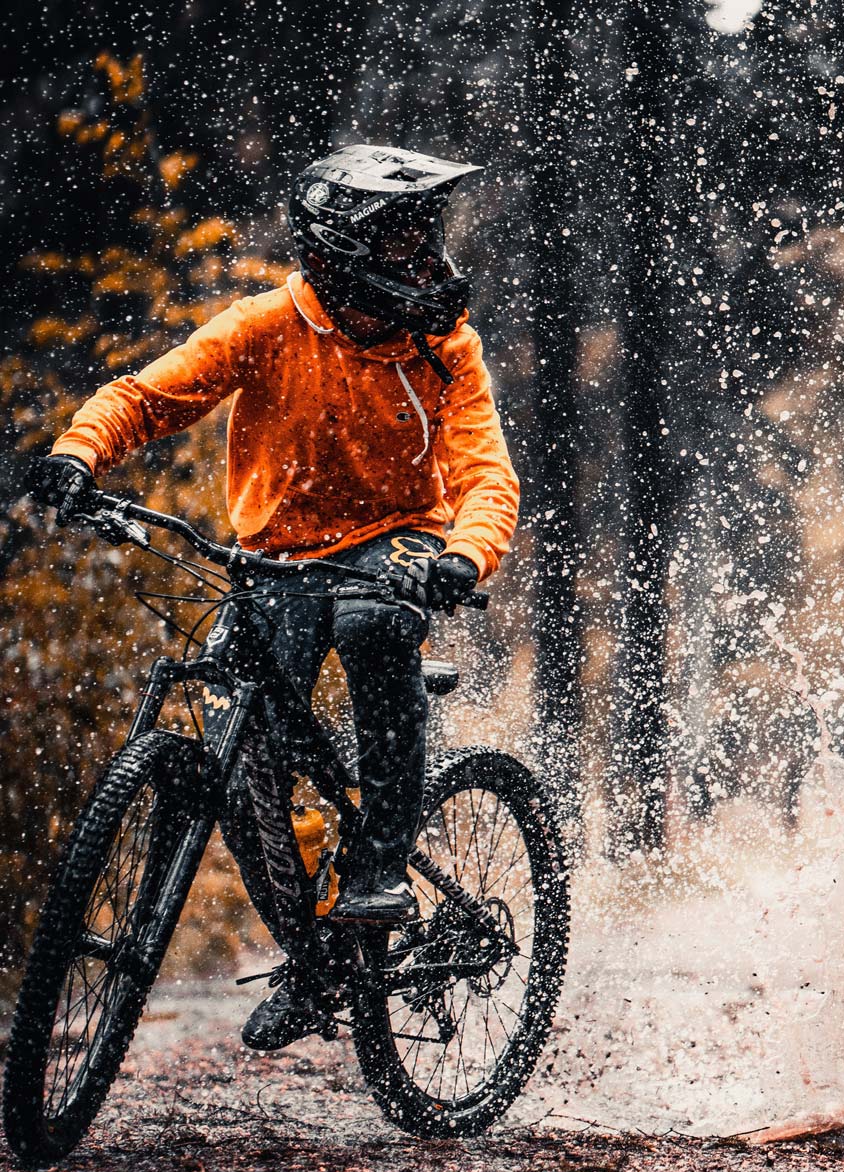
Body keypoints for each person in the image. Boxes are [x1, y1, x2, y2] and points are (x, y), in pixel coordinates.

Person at [27, 144, 520, 1047]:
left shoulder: (445, 347)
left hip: (396, 541)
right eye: (404, 244)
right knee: (238, 748)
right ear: (342, 250)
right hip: (276, 559)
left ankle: (376, 876)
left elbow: (486, 475)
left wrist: (464, 556)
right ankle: (314, 958)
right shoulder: (265, 326)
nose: (427, 262)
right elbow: (150, 396)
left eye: (427, 241)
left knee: (375, 621)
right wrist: (78, 453)